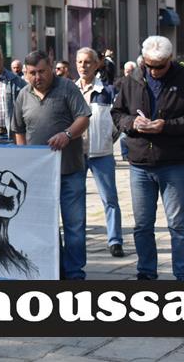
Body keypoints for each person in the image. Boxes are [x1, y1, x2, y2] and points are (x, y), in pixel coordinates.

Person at [112, 36, 184, 281]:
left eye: (160, 66)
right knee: (142, 225)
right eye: (149, 65)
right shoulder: (132, 79)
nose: (154, 71)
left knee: (178, 224)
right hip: (139, 163)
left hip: (172, 162)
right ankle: (146, 273)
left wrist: (166, 125)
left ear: (170, 59)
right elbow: (117, 113)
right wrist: (132, 123)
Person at [14, 51, 91, 279]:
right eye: (32, 73)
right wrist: (24, 158)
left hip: (70, 171)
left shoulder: (67, 88)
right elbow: (18, 130)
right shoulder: (23, 95)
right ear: (26, 73)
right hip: (40, 176)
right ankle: (54, 270)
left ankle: (75, 274)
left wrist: (67, 134)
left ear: (50, 67)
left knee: (74, 226)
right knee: (45, 226)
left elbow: (83, 118)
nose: (37, 77)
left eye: (42, 71)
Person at [75, 48, 124, 258]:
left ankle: (115, 240)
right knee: (76, 199)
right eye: (80, 62)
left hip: (101, 153)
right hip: (76, 153)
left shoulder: (107, 91)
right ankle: (77, 240)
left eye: (88, 62)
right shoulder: (70, 90)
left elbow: (117, 122)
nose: (83, 66)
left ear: (96, 65)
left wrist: (107, 139)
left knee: (109, 198)